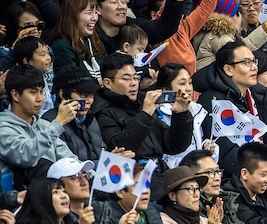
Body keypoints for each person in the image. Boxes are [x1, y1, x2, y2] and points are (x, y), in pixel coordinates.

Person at [92, 53, 195, 197]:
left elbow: (173, 145)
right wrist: (145, 114)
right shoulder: (102, 112)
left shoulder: (140, 103)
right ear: (108, 83)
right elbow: (120, 147)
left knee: (192, 187)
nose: (133, 83)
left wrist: (181, 115)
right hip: (133, 179)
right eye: (126, 79)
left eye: (136, 78)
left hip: (158, 171)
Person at [194, 40, 267, 175]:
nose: (254, 68)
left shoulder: (256, 95)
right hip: (239, 179)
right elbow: (226, 153)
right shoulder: (214, 101)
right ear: (228, 69)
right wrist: (264, 173)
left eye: (254, 61)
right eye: (246, 63)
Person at [0, 65, 78, 187]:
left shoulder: (44, 125)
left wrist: (95, 174)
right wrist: (58, 123)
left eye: (41, 91)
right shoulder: (3, 127)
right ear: (15, 95)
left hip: (54, 192)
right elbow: (25, 156)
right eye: (33, 92)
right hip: (20, 198)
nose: (40, 98)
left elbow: (69, 159)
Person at [179, 149, 250, 224]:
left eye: (217, 171)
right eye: (209, 172)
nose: (217, 177)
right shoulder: (189, 210)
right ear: (191, 178)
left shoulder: (225, 202)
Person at [159, 166, 234, 224]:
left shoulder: (202, 220)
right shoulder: (165, 222)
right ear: (172, 195)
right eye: (190, 189)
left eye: (197, 189)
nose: (196, 194)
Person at [154, 63, 211, 169]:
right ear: (166, 89)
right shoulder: (157, 113)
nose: (188, 88)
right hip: (176, 172)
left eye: (190, 83)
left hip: (198, 169)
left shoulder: (197, 109)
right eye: (182, 83)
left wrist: (206, 147)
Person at [42, 66, 103, 164]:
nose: (89, 101)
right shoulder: (49, 123)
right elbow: (68, 166)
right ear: (62, 94)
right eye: (83, 95)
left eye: (91, 95)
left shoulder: (91, 119)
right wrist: (102, 165)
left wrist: (112, 158)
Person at [49, 0, 104, 81]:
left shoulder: (94, 42)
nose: (95, 18)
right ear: (72, 16)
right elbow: (74, 81)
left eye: (96, 12)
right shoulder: (61, 46)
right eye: (89, 13)